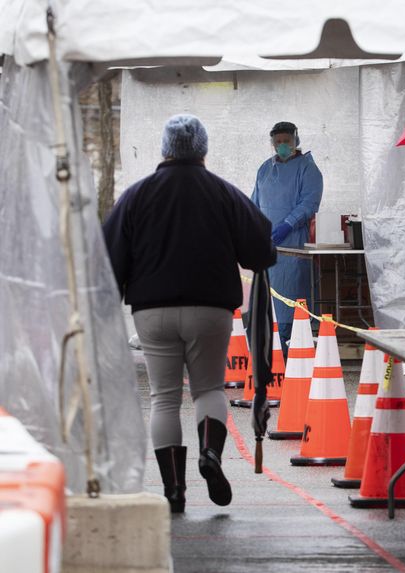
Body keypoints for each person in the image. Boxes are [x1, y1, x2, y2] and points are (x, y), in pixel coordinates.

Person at [103, 114, 276, 513]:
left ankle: (174, 489)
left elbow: (107, 260)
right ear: (203, 150)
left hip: (152, 311)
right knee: (209, 389)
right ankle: (210, 454)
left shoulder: (136, 195)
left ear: (164, 149)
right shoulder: (223, 193)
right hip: (211, 309)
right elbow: (261, 251)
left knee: (164, 398)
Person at [251, 122, 323, 354]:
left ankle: (291, 350)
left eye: (286, 141)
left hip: (293, 245)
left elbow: (309, 204)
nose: (282, 145)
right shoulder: (265, 169)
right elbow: (254, 202)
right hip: (266, 246)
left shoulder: (307, 169)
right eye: (278, 142)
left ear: (296, 140)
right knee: (268, 300)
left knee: (291, 298)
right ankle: (270, 350)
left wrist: (286, 225)